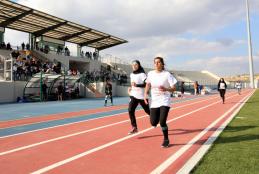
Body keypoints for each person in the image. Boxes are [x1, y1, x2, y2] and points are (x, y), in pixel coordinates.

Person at [144, 57, 177, 148]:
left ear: (162, 64)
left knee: (162, 121)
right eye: (155, 63)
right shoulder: (150, 73)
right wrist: (145, 94)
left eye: (159, 62)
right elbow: (148, 84)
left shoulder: (167, 74)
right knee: (153, 122)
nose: (157, 64)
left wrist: (166, 89)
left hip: (164, 99)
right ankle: (157, 117)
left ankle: (166, 139)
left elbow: (174, 88)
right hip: (155, 100)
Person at [127, 60, 150, 134]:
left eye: (136, 64)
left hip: (142, 96)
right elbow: (132, 84)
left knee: (147, 111)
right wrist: (130, 88)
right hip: (133, 95)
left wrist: (137, 85)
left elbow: (146, 84)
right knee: (130, 110)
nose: (134, 66)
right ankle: (134, 127)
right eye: (133, 64)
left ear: (139, 65)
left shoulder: (142, 74)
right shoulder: (131, 74)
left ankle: (155, 117)